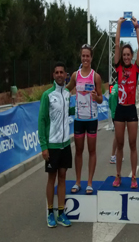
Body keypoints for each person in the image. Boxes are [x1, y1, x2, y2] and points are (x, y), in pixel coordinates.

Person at [39, 62, 74, 228]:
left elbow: (69, 112)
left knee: (63, 177)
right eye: (57, 72)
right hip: (52, 145)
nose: (60, 75)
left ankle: (61, 213)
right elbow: (42, 120)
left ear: (65, 75)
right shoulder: (47, 95)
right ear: (53, 75)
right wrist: (44, 146)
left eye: (62, 72)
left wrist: (85, 103)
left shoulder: (67, 94)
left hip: (65, 144)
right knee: (51, 178)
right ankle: (49, 212)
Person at [66, 44, 103, 194]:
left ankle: (89, 182)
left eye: (88, 56)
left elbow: (100, 99)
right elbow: (67, 88)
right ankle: (77, 181)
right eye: (83, 56)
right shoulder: (76, 75)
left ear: (91, 58)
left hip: (92, 118)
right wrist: (55, 89)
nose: (85, 58)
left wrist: (96, 97)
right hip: (79, 119)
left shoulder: (96, 76)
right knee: (79, 151)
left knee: (92, 150)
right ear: (81, 57)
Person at [112, 17, 139, 188]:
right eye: (124, 55)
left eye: (128, 54)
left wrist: (136, 28)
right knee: (120, 144)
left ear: (131, 56)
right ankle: (118, 175)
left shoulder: (136, 68)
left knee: (132, 143)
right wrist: (119, 26)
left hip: (131, 110)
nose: (126, 57)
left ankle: (134, 177)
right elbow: (116, 45)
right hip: (119, 110)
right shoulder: (119, 67)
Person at [109, 83, 118, 164]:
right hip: (118, 114)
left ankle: (118, 154)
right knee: (118, 135)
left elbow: (109, 101)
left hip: (113, 113)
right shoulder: (119, 88)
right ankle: (113, 156)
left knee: (118, 135)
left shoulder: (114, 87)